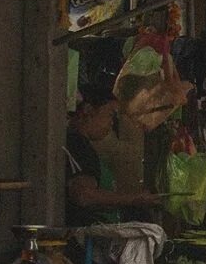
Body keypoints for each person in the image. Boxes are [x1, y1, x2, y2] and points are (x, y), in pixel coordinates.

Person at [64, 84, 162, 227]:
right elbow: (83, 195)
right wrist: (134, 199)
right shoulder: (78, 144)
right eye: (110, 114)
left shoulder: (80, 143)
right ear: (88, 110)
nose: (111, 123)